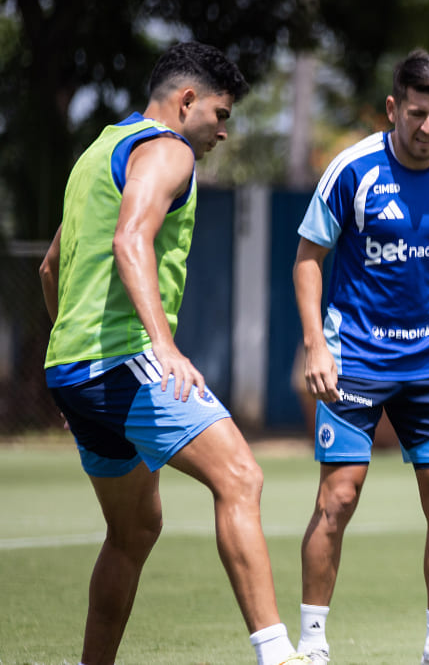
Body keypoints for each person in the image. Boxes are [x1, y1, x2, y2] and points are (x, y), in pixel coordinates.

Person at [38, 42, 308, 665]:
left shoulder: (97, 153)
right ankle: (278, 656)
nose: (223, 130)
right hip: (125, 360)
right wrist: (164, 348)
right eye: (220, 113)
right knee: (241, 477)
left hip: (75, 371)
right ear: (187, 102)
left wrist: (70, 368)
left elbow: (52, 267)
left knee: (133, 531)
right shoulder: (169, 151)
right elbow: (131, 237)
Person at [292, 49, 429, 665]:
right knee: (338, 498)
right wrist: (315, 343)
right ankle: (314, 645)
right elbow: (307, 259)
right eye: (418, 114)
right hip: (356, 358)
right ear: (393, 108)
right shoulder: (351, 170)